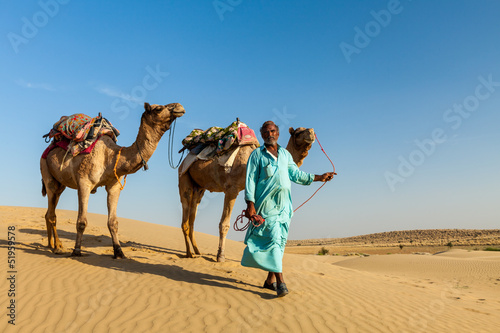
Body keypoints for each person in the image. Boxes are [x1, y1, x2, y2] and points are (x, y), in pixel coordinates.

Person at [241, 120, 334, 297]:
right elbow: (250, 180)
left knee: (280, 242)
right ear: (262, 135)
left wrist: (320, 177)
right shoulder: (257, 155)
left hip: (285, 207)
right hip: (266, 206)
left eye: (273, 131)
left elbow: (296, 175)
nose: (270, 134)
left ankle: (269, 281)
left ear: (278, 133)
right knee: (275, 239)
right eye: (266, 132)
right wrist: (250, 204)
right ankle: (281, 283)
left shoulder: (284, 154)